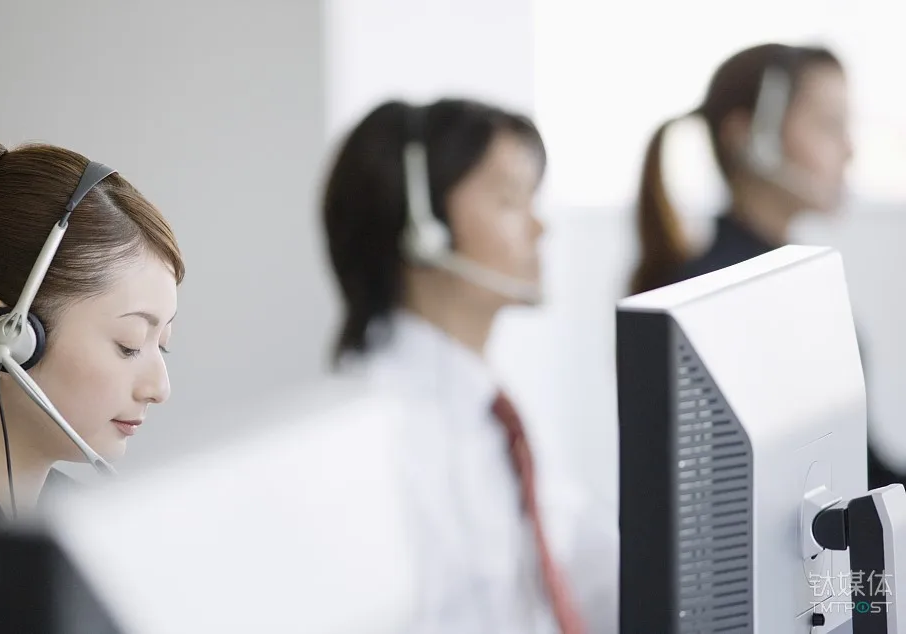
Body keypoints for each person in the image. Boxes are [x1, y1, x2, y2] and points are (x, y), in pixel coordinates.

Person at [322, 98, 618, 633]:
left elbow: (585, 562)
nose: (539, 227)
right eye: (510, 201)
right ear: (423, 228)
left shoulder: (500, 410)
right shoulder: (371, 437)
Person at [0, 139, 184, 632]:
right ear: (7, 340)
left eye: (162, 345)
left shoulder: (88, 530)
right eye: (129, 344)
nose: (159, 387)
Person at [628, 42, 904, 491]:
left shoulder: (798, 282)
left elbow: (855, 466)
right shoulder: (713, 295)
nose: (849, 149)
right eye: (828, 125)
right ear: (747, 138)